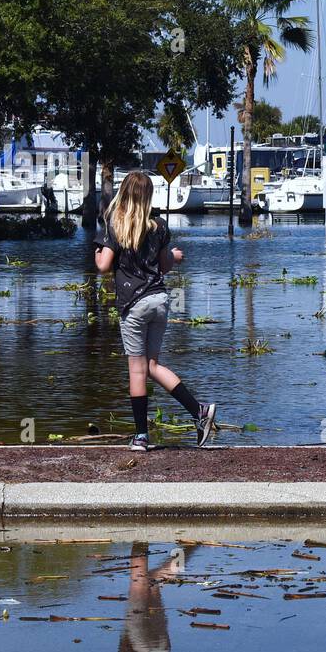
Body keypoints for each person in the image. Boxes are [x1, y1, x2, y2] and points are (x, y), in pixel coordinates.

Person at [95, 171, 216, 452]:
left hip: (134, 305)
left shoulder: (116, 224)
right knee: (152, 367)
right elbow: (163, 267)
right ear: (148, 195)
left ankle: (140, 436)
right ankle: (199, 410)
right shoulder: (159, 226)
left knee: (137, 371)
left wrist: (99, 252)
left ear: (124, 193)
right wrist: (173, 255)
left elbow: (103, 266)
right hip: (159, 301)